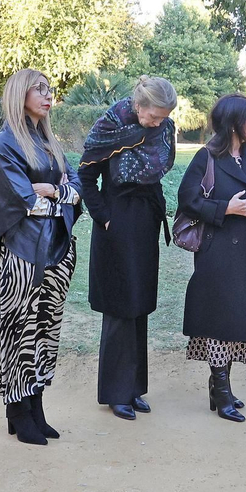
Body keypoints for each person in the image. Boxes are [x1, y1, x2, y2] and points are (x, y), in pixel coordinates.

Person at [0, 69, 81, 445]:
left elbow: (76, 188)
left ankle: (34, 405)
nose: (47, 95)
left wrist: (52, 190)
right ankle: (18, 409)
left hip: (57, 248)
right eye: (39, 89)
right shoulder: (6, 141)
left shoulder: (50, 141)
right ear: (20, 94)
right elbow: (25, 201)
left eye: (49, 89)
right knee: (19, 328)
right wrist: (56, 194)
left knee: (47, 330)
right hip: (21, 252)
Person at [78, 76, 179, 420]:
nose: (157, 124)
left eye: (163, 118)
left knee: (140, 304)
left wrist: (154, 214)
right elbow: (86, 176)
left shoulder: (165, 127)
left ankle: (134, 388)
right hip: (117, 219)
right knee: (120, 305)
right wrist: (104, 218)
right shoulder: (111, 124)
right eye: (153, 117)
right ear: (138, 106)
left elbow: (160, 167)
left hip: (146, 218)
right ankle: (114, 393)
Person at [177, 94, 246, 423]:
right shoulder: (206, 157)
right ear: (233, 122)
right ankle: (220, 390)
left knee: (237, 321)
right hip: (217, 251)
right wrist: (225, 208)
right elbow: (187, 199)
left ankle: (220, 385)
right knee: (220, 322)